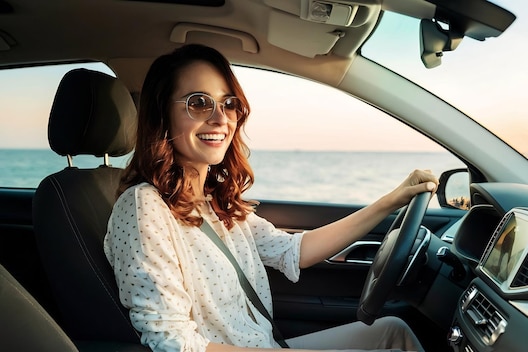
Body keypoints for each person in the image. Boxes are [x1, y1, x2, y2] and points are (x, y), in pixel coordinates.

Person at [104, 44, 439, 352]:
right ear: (162, 116)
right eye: (199, 102)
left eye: (229, 103)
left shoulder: (214, 202)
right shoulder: (143, 206)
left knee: (394, 332)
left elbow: (295, 251)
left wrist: (391, 201)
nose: (221, 118)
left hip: (267, 344)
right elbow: (172, 340)